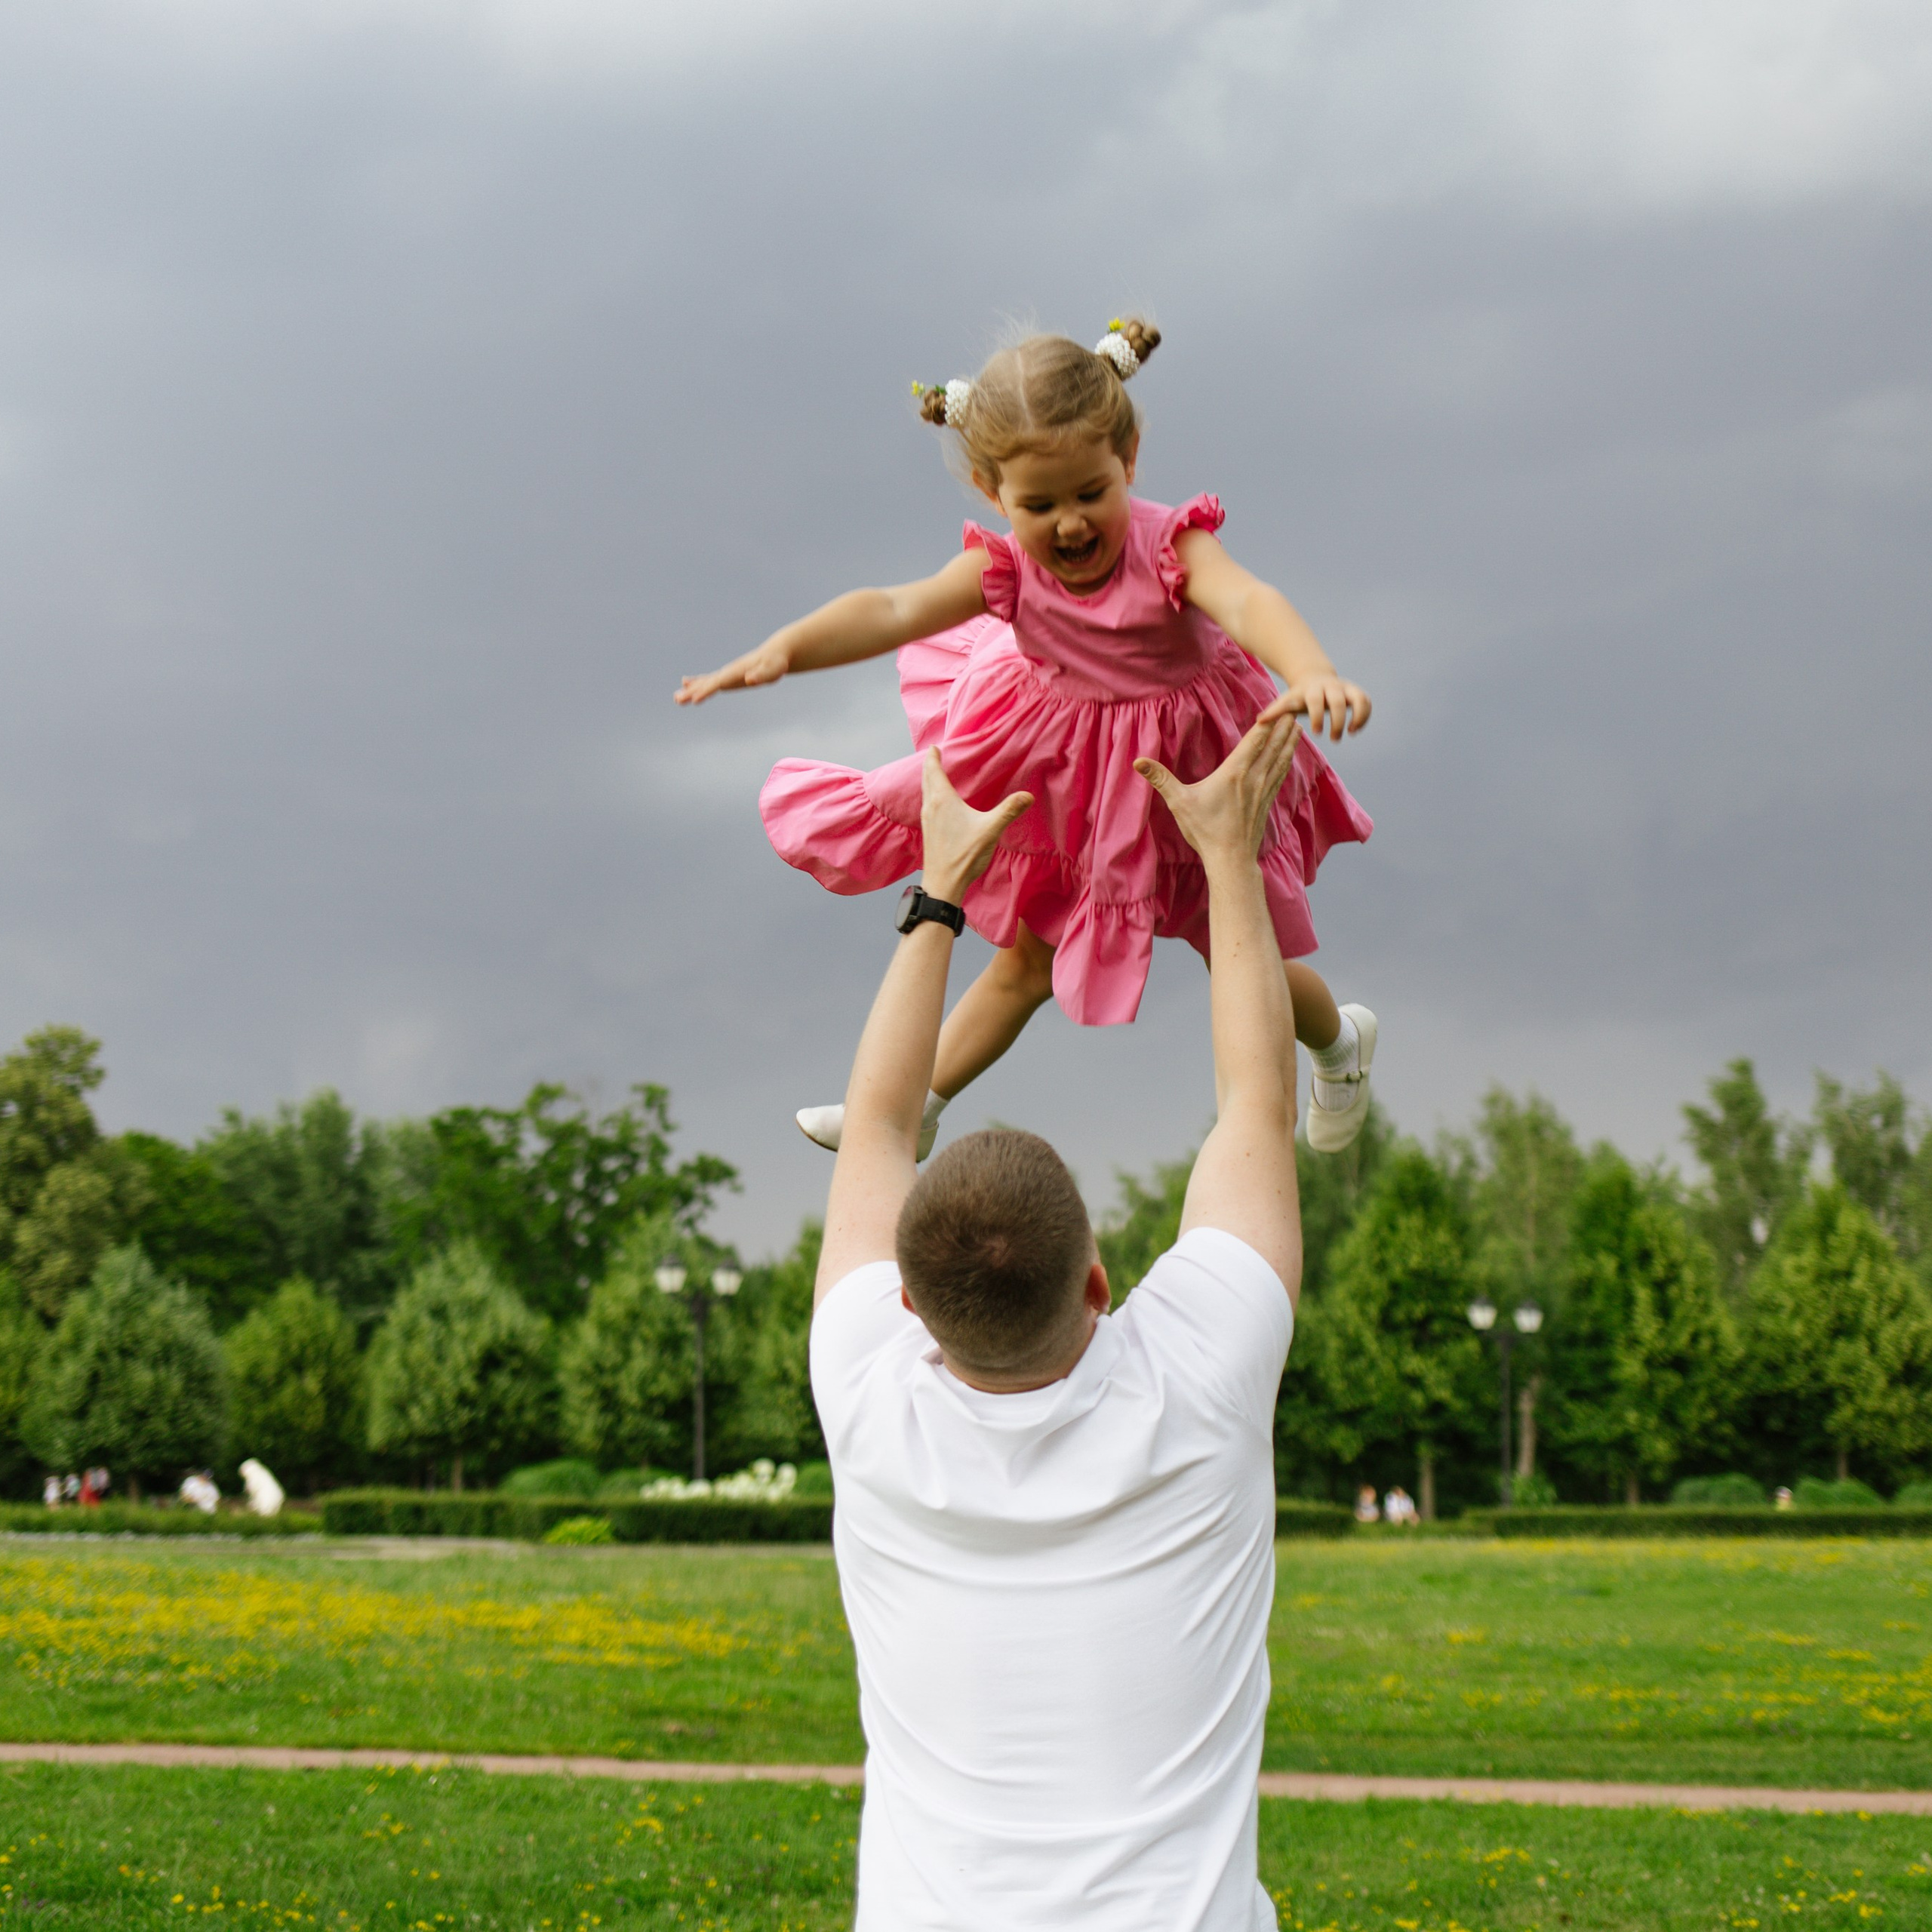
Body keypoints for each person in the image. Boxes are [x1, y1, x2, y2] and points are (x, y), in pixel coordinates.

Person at [809, 715, 1304, 1929]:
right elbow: (1259, 1095)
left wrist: (939, 894)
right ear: (1101, 1282)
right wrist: (1227, 860)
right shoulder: (1199, 1372)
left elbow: (873, 1127)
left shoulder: (870, 1391)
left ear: (912, 1305)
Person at [677, 318, 1377, 1159]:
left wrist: (1310, 669)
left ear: (1130, 459)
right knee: (1023, 960)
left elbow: (1249, 602)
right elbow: (893, 609)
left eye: (1091, 493)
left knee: (1236, 951)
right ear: (990, 490)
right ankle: (912, 1105)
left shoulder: (1170, 545)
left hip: (1186, 771)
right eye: (1038, 506)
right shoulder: (1005, 569)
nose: (1070, 525)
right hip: (1069, 770)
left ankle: (1338, 1045)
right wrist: (787, 649)